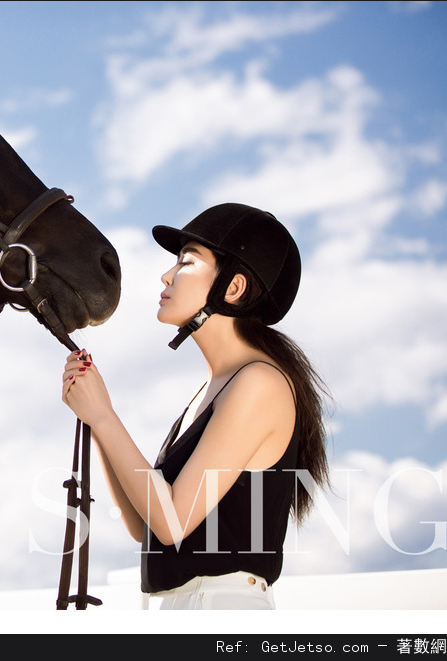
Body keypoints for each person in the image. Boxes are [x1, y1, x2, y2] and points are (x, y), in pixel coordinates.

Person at [61, 203, 330, 610]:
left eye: (187, 261)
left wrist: (103, 415)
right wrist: (95, 420)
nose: (167, 275)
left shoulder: (259, 383)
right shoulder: (213, 390)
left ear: (234, 288)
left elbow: (171, 522)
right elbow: (144, 524)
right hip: (184, 607)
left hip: (222, 607)